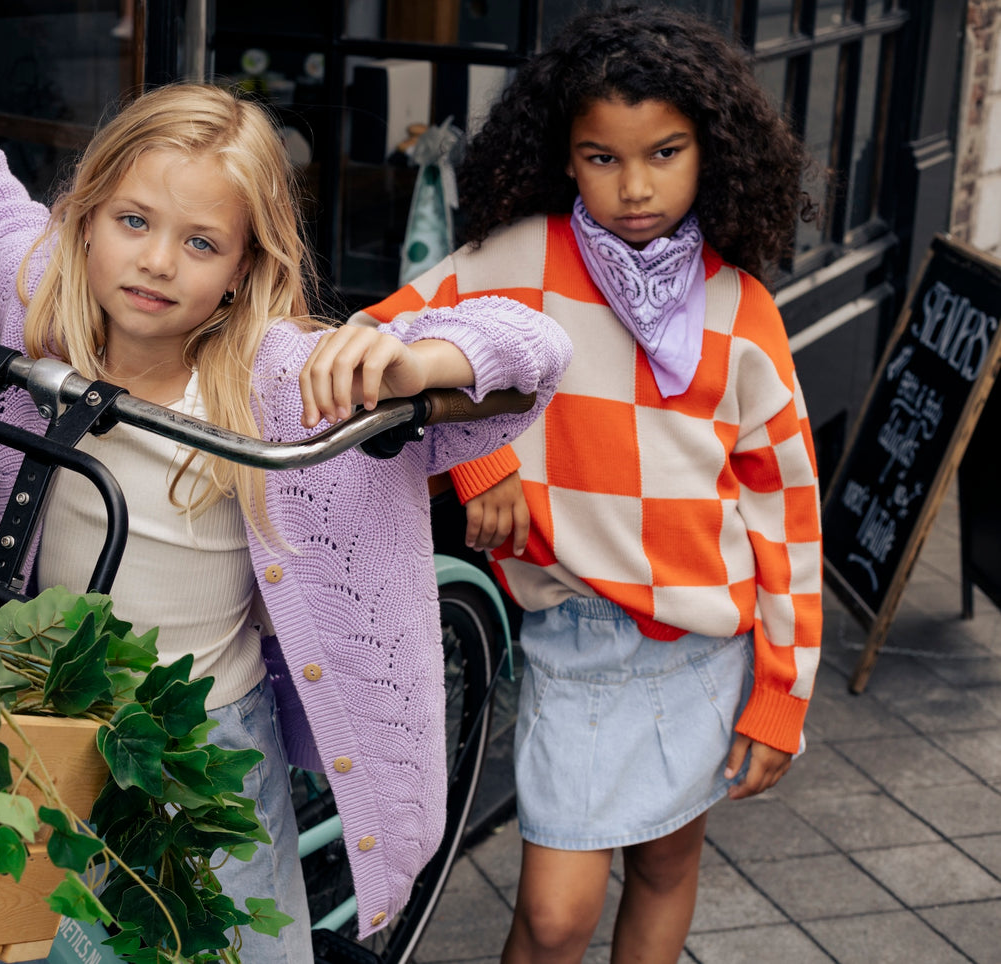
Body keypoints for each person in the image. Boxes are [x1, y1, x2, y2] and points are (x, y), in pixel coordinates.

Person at [0, 83, 572, 964]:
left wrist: (410, 361)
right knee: (29, 935)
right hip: (43, 713)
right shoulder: (44, 297)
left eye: (200, 243)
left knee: (219, 946)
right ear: (83, 217)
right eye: (132, 221)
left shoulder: (279, 382)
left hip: (204, 743)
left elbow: (532, 348)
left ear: (243, 265)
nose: (157, 261)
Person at [352, 8, 822, 962]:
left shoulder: (740, 306)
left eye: (664, 151)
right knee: (558, 914)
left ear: (712, 152)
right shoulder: (522, 260)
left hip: (704, 643)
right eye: (601, 156)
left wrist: (782, 693)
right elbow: (382, 336)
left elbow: (786, 512)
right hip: (577, 632)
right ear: (563, 156)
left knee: (662, 867)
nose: (636, 185)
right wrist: (483, 454)